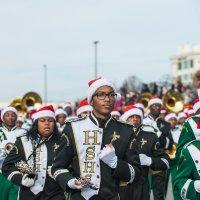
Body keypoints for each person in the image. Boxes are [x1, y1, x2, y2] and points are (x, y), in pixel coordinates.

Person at [51, 77, 141, 200]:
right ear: (91, 100)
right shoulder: (73, 128)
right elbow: (58, 167)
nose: (107, 99)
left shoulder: (126, 130)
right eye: (101, 95)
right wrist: (71, 182)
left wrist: (115, 163)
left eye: (111, 95)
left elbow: (135, 174)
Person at [2, 105, 65, 200]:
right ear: (36, 123)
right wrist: (21, 179)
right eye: (42, 120)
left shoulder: (63, 141)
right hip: (28, 194)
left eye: (50, 120)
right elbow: (7, 166)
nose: (47, 123)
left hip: (55, 194)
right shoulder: (23, 141)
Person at [120, 105, 170, 200]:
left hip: (142, 186)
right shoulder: (116, 136)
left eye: (137, 116)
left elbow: (166, 161)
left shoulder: (150, 136)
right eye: (131, 116)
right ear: (125, 118)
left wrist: (149, 161)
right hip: (121, 186)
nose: (135, 119)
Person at [143, 97, 173, 200]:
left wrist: (158, 134)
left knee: (159, 192)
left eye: (159, 106)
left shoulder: (166, 124)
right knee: (143, 190)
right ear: (150, 108)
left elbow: (168, 144)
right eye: (154, 105)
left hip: (159, 159)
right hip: (144, 159)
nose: (157, 107)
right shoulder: (142, 122)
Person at [0, 106, 25, 200]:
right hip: (0, 173)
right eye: (7, 115)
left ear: (16, 117)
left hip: (16, 172)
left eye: (13, 115)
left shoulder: (23, 132)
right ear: (3, 118)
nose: (10, 117)